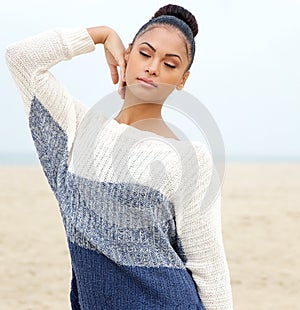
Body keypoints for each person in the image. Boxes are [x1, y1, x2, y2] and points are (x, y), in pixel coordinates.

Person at [6, 4, 233, 310]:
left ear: (183, 79)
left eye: (170, 64)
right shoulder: (77, 128)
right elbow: (21, 58)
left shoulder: (189, 157)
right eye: (145, 53)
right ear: (126, 55)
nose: (153, 67)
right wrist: (100, 35)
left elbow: (209, 266)